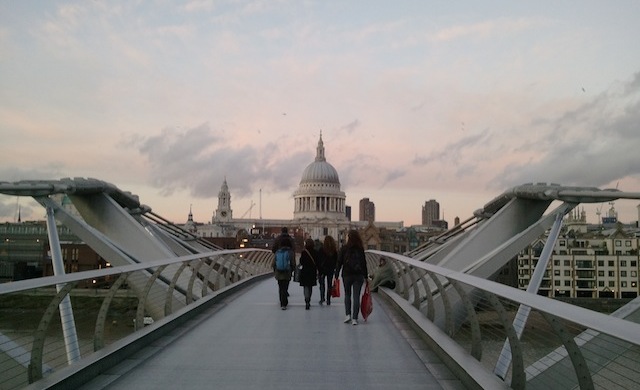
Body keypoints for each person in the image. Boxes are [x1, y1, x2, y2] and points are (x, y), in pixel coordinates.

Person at [335, 229, 368, 325]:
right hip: (358, 275)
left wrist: (336, 275)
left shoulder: (344, 248)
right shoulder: (360, 248)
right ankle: (355, 318)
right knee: (356, 296)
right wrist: (366, 276)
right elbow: (363, 263)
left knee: (347, 295)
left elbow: (339, 262)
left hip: (347, 274)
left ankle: (347, 315)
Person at [272, 227, 296, 310]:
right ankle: (284, 302)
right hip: (287, 269)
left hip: (279, 268)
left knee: (280, 285)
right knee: (285, 285)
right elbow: (294, 252)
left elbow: (273, 250)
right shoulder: (291, 240)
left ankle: (282, 302)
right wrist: (293, 268)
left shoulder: (277, 240)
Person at [298, 238, 318, 310]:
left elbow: (301, 262)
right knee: (310, 286)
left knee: (305, 286)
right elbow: (317, 262)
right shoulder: (315, 252)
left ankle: (306, 299)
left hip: (305, 271)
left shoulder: (304, 252)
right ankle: (309, 298)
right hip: (312, 271)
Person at [317, 235, 337, 305]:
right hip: (330, 269)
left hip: (322, 269)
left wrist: (319, 269)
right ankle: (328, 299)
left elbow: (318, 260)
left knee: (322, 284)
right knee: (329, 284)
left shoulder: (321, 249)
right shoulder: (334, 250)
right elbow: (336, 261)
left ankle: (322, 298)